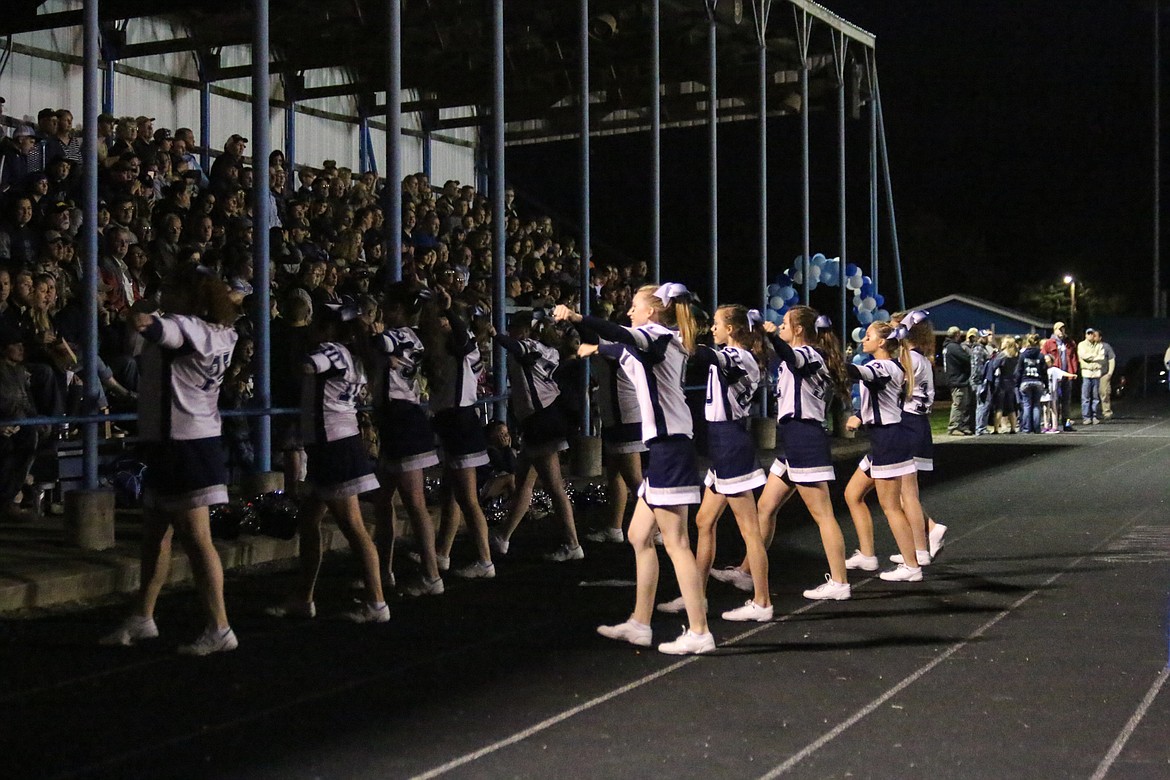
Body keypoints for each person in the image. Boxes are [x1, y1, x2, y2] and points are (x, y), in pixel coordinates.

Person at [555, 283, 715, 655]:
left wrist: (578, 317)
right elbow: (620, 346)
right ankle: (640, 624)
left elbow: (619, 334)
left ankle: (699, 630)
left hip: (671, 447)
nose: (629, 311)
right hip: (665, 447)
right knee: (639, 535)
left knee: (677, 544)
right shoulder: (660, 341)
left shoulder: (656, 335)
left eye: (634, 306)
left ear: (653, 312)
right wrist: (597, 347)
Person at [100, 265, 241, 655]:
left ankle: (220, 626)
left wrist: (138, 310)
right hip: (183, 439)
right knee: (155, 533)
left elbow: (155, 328)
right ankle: (143, 616)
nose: (166, 292)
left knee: (197, 539)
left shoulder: (186, 326)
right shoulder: (222, 332)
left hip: (184, 442)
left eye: (173, 287)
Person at [267, 303, 388, 622]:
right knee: (308, 522)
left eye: (316, 323)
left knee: (354, 527)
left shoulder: (333, 352)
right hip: (330, 446)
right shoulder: (350, 353)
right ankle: (304, 597)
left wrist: (296, 341)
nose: (310, 327)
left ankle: (377, 603)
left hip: (335, 446)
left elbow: (306, 366)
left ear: (330, 328)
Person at [658, 304, 771, 621]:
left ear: (733, 329)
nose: (714, 329)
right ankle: (696, 595)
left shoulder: (740, 358)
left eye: (718, 324)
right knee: (704, 522)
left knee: (749, 530)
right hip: (722, 444)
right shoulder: (735, 355)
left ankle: (762, 601)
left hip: (731, 443)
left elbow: (705, 354)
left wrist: (685, 322)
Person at [843, 311, 942, 574]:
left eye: (869, 336)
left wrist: (824, 359)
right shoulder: (903, 362)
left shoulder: (890, 365)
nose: (864, 340)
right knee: (854, 494)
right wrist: (860, 416)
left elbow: (858, 373)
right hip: (892, 434)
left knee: (894, 504)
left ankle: (916, 558)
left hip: (896, 434)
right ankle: (876, 554)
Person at [489, 310, 582, 562]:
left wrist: (495, 335)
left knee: (554, 486)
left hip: (542, 420)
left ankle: (573, 543)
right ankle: (502, 537)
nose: (512, 331)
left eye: (516, 327)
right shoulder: (547, 349)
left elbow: (516, 348)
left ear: (526, 330)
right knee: (524, 485)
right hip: (539, 419)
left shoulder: (530, 346)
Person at [372, 283, 444, 597]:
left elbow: (374, 345)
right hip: (397, 420)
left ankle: (431, 575)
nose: (382, 312)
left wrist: (365, 328)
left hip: (401, 420)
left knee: (414, 503)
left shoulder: (397, 335)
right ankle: (383, 572)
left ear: (399, 310)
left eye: (387, 306)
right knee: (383, 500)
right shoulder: (416, 336)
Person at [421, 287, 496, 580]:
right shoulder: (454, 348)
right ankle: (442, 553)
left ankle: (485, 560)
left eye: (444, 319)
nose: (440, 323)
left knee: (467, 498)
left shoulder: (466, 346)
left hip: (461, 423)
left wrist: (450, 311)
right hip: (453, 422)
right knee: (452, 494)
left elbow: (463, 337)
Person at [1041, 321, 1078, 432]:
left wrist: (1074, 370)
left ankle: (1067, 423)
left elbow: (1074, 358)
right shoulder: (1049, 343)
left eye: (1063, 329)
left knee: (1066, 401)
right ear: (1055, 330)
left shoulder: (1069, 343)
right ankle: (1053, 423)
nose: (1061, 331)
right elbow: (1043, 357)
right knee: (1053, 401)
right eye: (1059, 329)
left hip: (1066, 374)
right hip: (1054, 376)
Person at [942, 325, 972, 435]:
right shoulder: (954, 347)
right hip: (957, 380)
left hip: (953, 379)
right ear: (957, 335)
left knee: (962, 403)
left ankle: (961, 426)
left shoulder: (947, 347)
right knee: (958, 404)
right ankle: (954, 427)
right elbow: (967, 358)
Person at [988, 335, 1020, 434]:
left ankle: (996, 429)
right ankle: (1013, 428)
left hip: (1001, 382)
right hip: (1012, 382)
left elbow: (994, 365)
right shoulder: (1016, 354)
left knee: (999, 406)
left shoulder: (1002, 355)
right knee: (1011, 407)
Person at [1015, 333, 1046, 434]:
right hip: (1037, 381)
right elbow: (1044, 371)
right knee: (1036, 405)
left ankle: (1027, 428)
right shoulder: (1041, 355)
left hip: (1025, 381)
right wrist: (1046, 384)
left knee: (1027, 405)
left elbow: (1019, 370)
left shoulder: (1023, 355)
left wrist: (1017, 383)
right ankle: (1037, 428)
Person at [1077, 327, 1104, 425]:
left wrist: (1090, 357)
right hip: (1086, 372)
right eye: (1088, 333)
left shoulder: (1099, 345)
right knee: (1086, 396)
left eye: (1092, 334)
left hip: (1096, 373)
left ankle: (1095, 416)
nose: (1090, 335)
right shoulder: (1081, 345)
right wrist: (1094, 356)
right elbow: (1083, 355)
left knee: (1095, 396)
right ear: (1085, 335)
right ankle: (1086, 417)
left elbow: (1101, 357)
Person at [1098, 332, 1116, 420]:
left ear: (1100, 337)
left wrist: (1110, 372)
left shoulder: (1106, 347)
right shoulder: (1090, 347)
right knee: (1092, 394)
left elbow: (1111, 359)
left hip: (1104, 373)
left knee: (1104, 392)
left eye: (1095, 336)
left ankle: (1107, 412)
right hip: (1093, 373)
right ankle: (1092, 414)